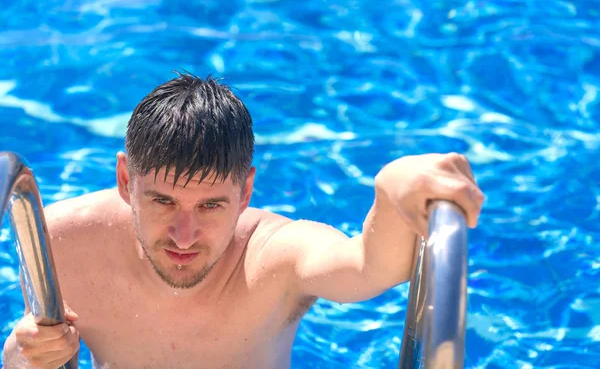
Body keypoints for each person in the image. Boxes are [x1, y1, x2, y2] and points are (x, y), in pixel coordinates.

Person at [2, 73, 484, 369]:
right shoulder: (62, 240)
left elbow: (369, 266)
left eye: (211, 206)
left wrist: (392, 187)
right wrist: (25, 354)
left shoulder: (274, 259)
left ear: (246, 192)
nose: (184, 237)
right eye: (164, 202)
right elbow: (27, 362)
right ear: (126, 180)